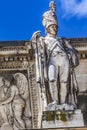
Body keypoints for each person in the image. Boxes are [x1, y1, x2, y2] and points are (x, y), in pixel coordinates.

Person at [32, 1, 79, 109]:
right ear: (47, 28)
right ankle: (54, 101)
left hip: (64, 60)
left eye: (55, 26)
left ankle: (63, 103)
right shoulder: (44, 39)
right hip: (52, 61)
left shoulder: (62, 40)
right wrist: (35, 40)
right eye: (52, 26)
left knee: (64, 81)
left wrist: (70, 52)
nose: (55, 28)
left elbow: (72, 50)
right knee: (52, 79)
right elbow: (38, 50)